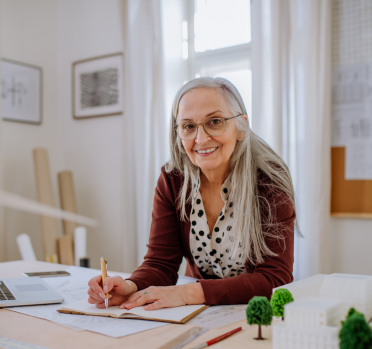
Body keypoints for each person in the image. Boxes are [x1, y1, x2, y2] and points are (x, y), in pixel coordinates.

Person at [87, 77, 297, 310]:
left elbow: (275, 278)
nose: (201, 139)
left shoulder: (270, 180)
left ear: (241, 128)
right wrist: (131, 286)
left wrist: (188, 292)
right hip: (199, 311)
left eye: (215, 121)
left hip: (252, 312)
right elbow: (161, 264)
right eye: (188, 126)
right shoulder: (172, 180)